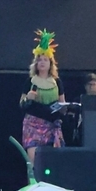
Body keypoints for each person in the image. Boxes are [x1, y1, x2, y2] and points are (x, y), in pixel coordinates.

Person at [19, 30, 66, 166]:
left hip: (51, 124)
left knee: (51, 163)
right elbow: (21, 104)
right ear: (36, 63)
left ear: (51, 63)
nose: (42, 62)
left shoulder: (57, 82)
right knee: (34, 161)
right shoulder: (30, 81)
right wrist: (28, 99)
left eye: (45, 60)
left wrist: (63, 108)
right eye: (39, 60)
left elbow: (63, 105)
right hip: (33, 124)